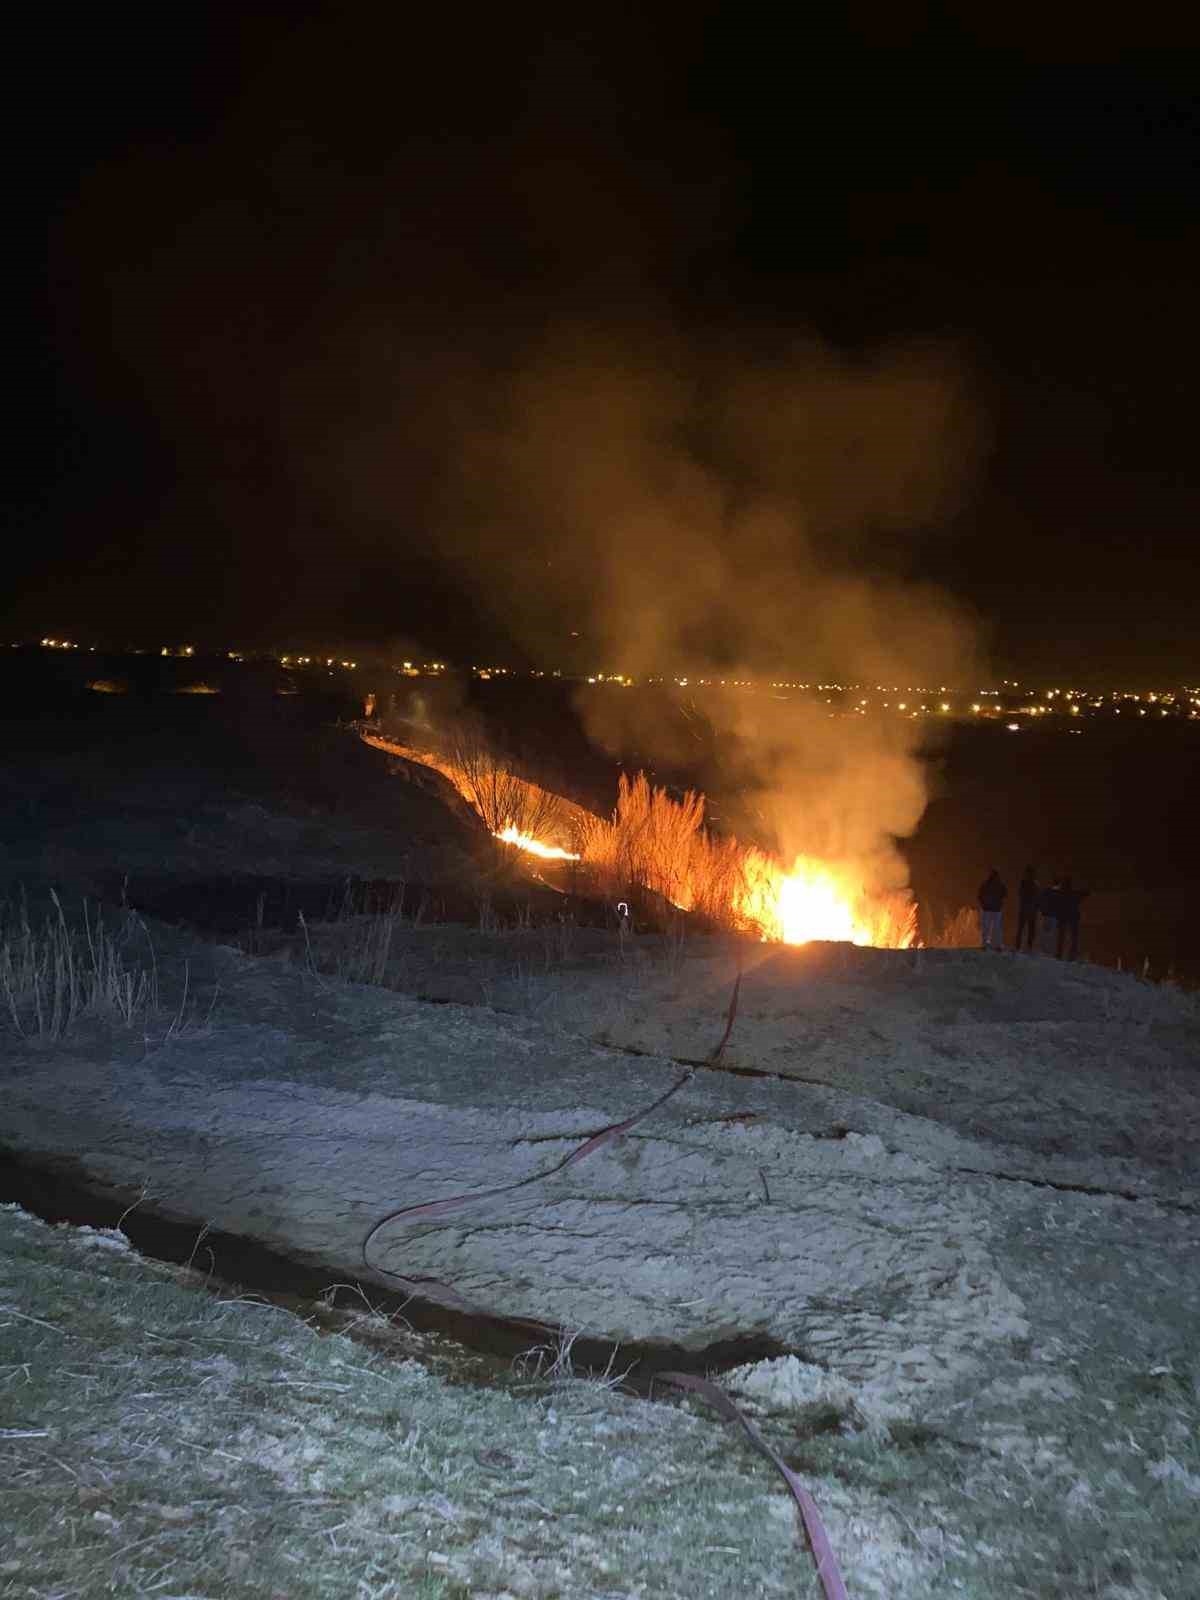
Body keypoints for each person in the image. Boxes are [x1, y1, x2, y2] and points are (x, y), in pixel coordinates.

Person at [1056, 876, 1090, 960]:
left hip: (1066, 918)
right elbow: (1083, 894)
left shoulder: (1062, 894)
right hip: (1071, 918)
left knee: (1063, 937)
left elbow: (1083, 894)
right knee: (1071, 937)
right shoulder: (1072, 894)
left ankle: (1061, 954)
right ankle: (1069, 955)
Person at [977, 868, 1007, 951]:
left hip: (989, 909)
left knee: (987, 928)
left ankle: (986, 945)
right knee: (995, 928)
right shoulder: (1000, 884)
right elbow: (1004, 895)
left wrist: (983, 904)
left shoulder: (986, 884)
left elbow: (979, 895)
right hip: (995, 909)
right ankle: (996, 945)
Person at [1014, 865, 1039, 952]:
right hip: (1030, 910)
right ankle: (1027, 947)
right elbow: (1037, 897)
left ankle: (1019, 946)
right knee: (1029, 930)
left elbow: (1020, 894)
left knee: (1022, 929)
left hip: (1025, 909)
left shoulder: (1024, 883)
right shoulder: (1034, 884)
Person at [1039, 877, 1062, 955]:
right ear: (1059, 884)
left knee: (1044, 934)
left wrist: (1042, 911)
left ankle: (1043, 950)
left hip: (1046, 915)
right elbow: (1060, 907)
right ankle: (1049, 952)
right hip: (1054, 916)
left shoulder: (1047, 891)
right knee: (1052, 935)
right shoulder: (1060, 893)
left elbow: (1041, 900)